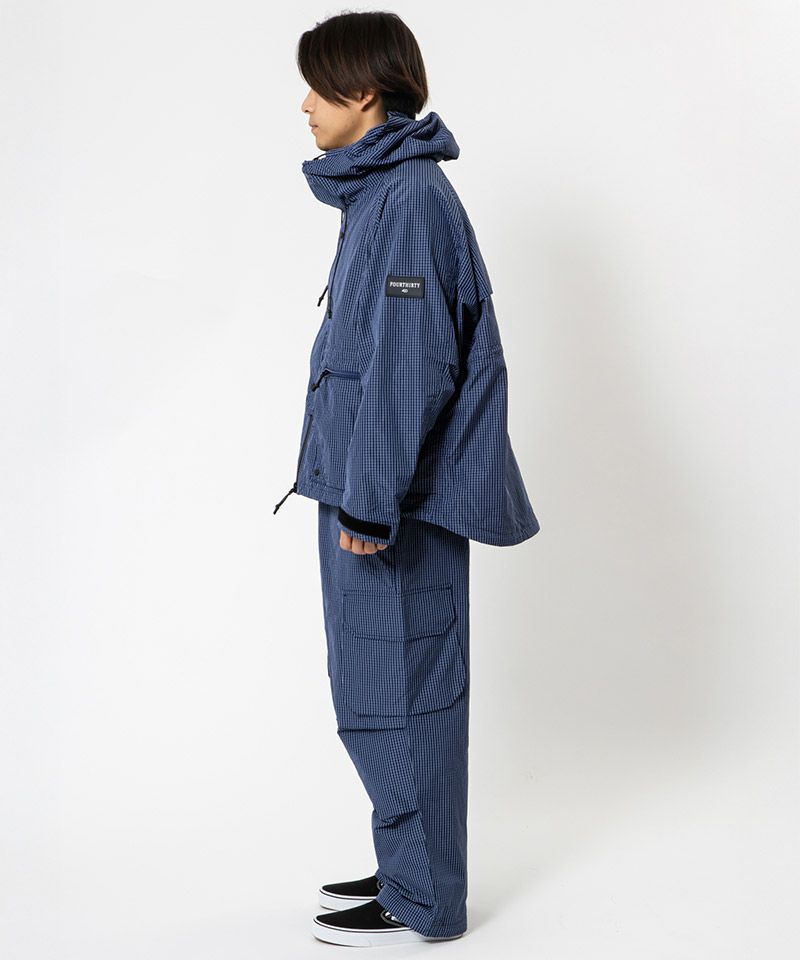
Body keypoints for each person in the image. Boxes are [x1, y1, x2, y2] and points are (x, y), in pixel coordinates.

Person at [274, 10, 541, 947]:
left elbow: (410, 365)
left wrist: (370, 501)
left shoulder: (411, 201)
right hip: (369, 489)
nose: (304, 104)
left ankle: (422, 898)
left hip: (390, 501)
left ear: (364, 90)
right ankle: (408, 865)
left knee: (400, 692)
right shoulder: (384, 193)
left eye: (318, 85)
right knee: (375, 687)